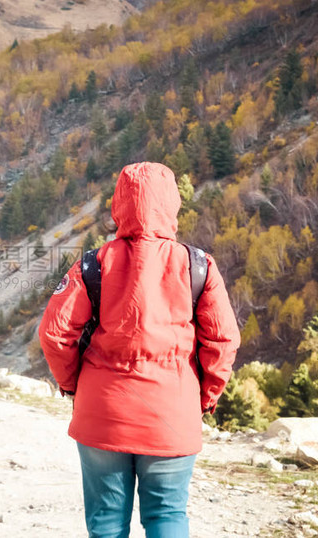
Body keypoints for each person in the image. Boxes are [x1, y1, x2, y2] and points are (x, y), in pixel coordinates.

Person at [39, 162, 240, 538]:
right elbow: (223, 339)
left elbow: (54, 333)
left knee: (107, 524)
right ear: (172, 205)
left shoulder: (91, 265)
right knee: (167, 516)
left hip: (103, 412)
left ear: (119, 205)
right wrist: (205, 396)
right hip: (171, 413)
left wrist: (72, 384)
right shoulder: (199, 266)